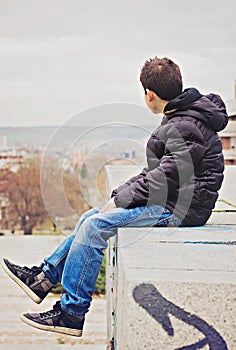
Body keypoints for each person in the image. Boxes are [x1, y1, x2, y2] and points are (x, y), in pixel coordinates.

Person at [0, 57, 228, 337]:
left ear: (149, 94)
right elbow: (156, 173)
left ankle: (71, 313)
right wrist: (119, 194)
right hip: (172, 200)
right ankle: (44, 279)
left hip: (181, 210)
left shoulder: (185, 125)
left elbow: (165, 177)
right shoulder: (182, 117)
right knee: (91, 216)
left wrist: (121, 200)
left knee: (94, 227)